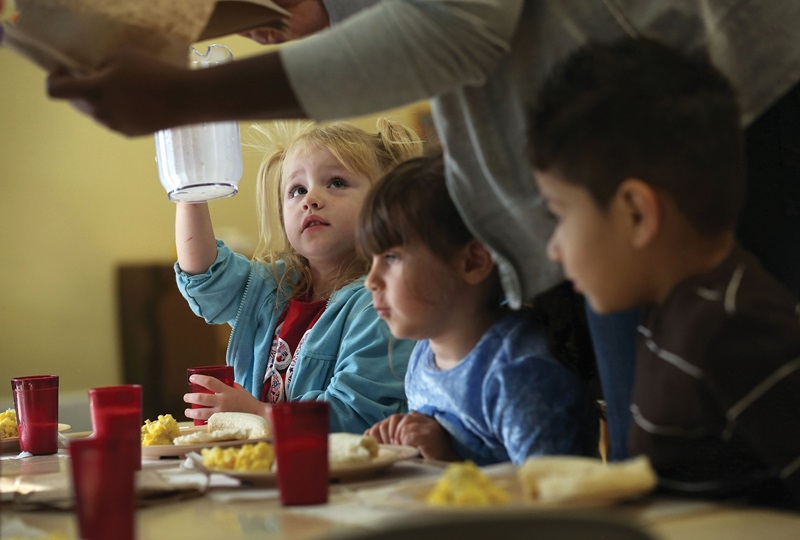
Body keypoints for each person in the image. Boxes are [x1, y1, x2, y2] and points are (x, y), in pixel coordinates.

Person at [45, 0, 800, 462]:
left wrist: (184, 96)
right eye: (300, 189)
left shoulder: (725, 329)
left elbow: (455, 24)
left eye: (338, 184)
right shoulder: (307, 302)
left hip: (709, 118)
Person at [527, 37, 800, 508]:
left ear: (637, 213)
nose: (553, 248)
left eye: (559, 215)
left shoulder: (738, 331)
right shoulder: (668, 313)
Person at [179, 118, 424, 433]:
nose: (311, 199)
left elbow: (356, 417)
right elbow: (204, 277)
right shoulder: (272, 288)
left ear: (387, 205)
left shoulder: (382, 305)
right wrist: (189, 189)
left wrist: (257, 414)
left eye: (336, 182)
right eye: (297, 189)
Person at [359, 154, 599, 465]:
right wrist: (408, 443)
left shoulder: (521, 376)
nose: (370, 281)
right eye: (371, 261)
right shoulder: (423, 356)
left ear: (472, 262)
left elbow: (551, 501)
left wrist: (449, 458)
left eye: (391, 258)